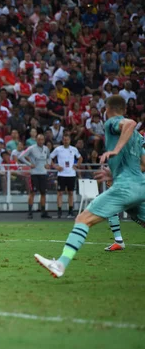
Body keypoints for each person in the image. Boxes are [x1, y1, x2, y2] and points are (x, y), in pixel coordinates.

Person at [35, 95, 145, 278]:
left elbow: (131, 123)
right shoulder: (138, 139)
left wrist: (115, 151)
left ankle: (60, 264)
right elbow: (143, 164)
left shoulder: (112, 123)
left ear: (107, 110)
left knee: (83, 219)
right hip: (140, 186)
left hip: (125, 188)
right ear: (124, 109)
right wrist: (113, 173)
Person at [18, 134, 51, 219]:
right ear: (36, 140)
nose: (41, 141)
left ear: (44, 140)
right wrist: (29, 164)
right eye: (39, 140)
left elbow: (49, 157)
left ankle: (43, 212)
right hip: (34, 173)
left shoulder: (46, 149)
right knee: (32, 193)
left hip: (43, 173)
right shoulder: (31, 148)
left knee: (43, 193)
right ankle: (30, 212)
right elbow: (21, 157)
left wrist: (48, 164)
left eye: (42, 139)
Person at [50, 134, 82, 219]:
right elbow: (49, 158)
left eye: (67, 139)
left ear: (70, 140)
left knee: (70, 193)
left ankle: (70, 211)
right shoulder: (58, 149)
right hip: (61, 174)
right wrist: (55, 166)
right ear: (62, 140)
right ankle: (59, 211)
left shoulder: (74, 149)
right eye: (64, 139)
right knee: (60, 193)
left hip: (71, 174)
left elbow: (80, 158)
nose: (66, 141)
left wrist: (77, 166)